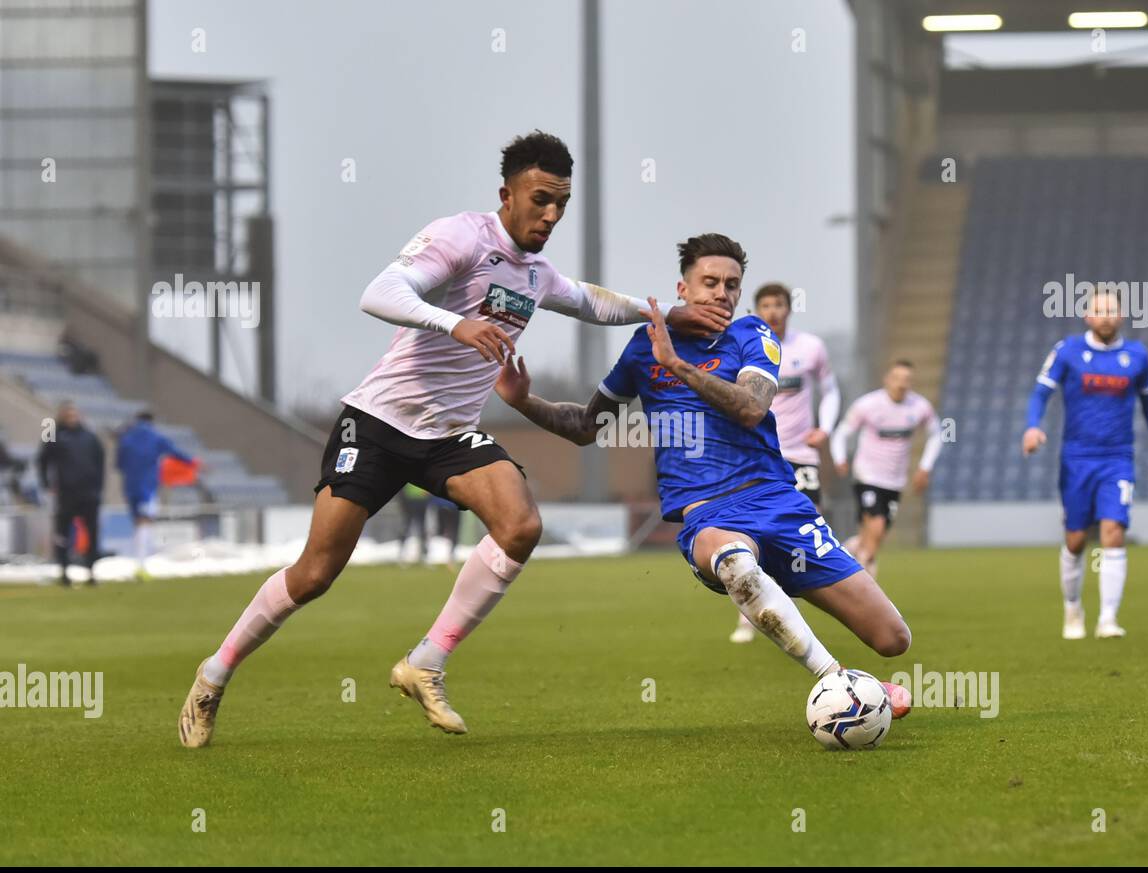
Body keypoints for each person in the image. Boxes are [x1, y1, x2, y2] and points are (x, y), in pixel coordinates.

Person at [177, 130, 727, 747]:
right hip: (379, 423)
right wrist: (456, 323)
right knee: (315, 574)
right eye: (541, 199)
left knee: (520, 525)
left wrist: (667, 315)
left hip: (448, 435)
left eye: (561, 205)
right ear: (507, 193)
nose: (551, 215)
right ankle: (213, 676)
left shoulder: (537, 274)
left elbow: (592, 303)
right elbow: (379, 293)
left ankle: (426, 662)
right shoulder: (463, 236)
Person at [497, 233, 913, 718]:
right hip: (709, 516)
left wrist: (679, 366)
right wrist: (524, 401)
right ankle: (836, 681)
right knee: (733, 561)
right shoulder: (642, 348)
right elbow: (587, 427)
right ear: (683, 288)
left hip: (777, 501)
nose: (722, 293)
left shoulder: (752, 334)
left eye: (732, 285)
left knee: (892, 639)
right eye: (710, 282)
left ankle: (854, 675)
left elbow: (751, 408)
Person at [1022, 291, 1148, 640]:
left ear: (1122, 315)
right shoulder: (1068, 351)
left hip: (1117, 458)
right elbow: (1040, 393)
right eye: (1099, 310)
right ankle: (1073, 609)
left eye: (1112, 309)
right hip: (1077, 459)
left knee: (1113, 532)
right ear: (1087, 316)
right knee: (1076, 540)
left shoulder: (1137, 356)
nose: (1106, 315)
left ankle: (1108, 618)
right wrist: (1033, 426)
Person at [727, 282, 839, 644]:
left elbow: (830, 388)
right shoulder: (745, 347)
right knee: (751, 534)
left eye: (779, 304)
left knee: (807, 528)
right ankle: (749, 614)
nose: (773, 311)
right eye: (766, 305)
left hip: (801, 455)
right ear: (756, 310)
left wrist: (826, 428)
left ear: (789, 309)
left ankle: (802, 604)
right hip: (760, 455)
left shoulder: (810, 348)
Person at [830, 360, 941, 578]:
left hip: (895, 481)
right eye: (897, 378)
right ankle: (863, 579)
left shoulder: (919, 407)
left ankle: (848, 550)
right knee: (877, 526)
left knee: (874, 536)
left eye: (907, 379)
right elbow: (842, 432)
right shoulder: (868, 405)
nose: (901, 384)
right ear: (887, 380)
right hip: (867, 476)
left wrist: (925, 468)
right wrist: (840, 458)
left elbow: (938, 434)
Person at [115, 411, 194, 579]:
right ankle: (141, 565)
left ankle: (139, 561)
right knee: (145, 522)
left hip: (130, 487)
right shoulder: (155, 437)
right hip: (148, 487)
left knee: (138, 522)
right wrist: (193, 462)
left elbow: (119, 464)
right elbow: (175, 453)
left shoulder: (126, 438)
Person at [36, 401, 105, 586]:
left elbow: (100, 463)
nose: (72, 417)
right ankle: (64, 572)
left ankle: (91, 572)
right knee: (62, 535)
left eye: (74, 414)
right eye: (68, 414)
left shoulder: (90, 437)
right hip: (65, 495)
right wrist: (46, 484)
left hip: (89, 495)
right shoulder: (53, 433)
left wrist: (98, 488)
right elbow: (42, 459)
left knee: (92, 534)